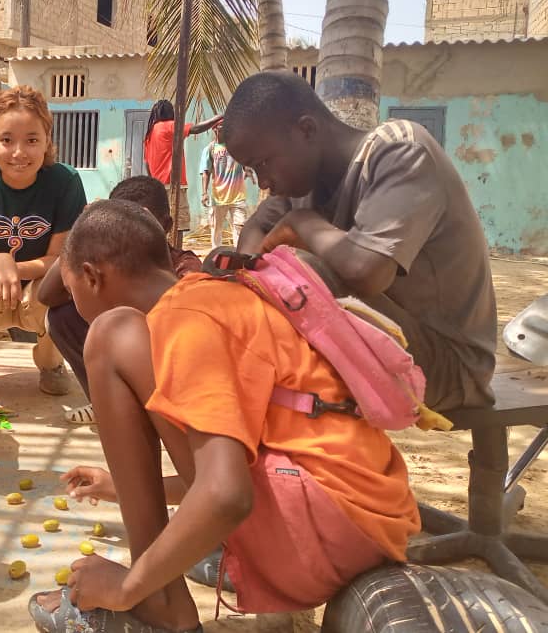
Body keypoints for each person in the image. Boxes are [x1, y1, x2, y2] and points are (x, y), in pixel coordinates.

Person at [28, 201, 419, 633]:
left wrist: (126, 588)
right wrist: (126, 487)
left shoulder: (185, 319)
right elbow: (246, 456)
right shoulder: (218, 293)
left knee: (110, 334)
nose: (73, 303)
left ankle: (159, 603)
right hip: (366, 524)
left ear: (91, 277)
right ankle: (157, 595)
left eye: (73, 290)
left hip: (322, 533)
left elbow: (227, 493)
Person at [223, 71, 497, 412]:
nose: (264, 181)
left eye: (263, 163)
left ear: (306, 129)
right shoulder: (302, 183)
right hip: (388, 347)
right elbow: (254, 231)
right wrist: (252, 273)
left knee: (299, 276)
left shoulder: (400, 149)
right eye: (252, 170)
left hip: (449, 365)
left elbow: (367, 271)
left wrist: (302, 224)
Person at [0, 85, 87, 396]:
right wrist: (0, 261)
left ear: (47, 141)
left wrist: (13, 268)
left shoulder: (65, 182)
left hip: (39, 288)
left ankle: (50, 362)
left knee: (62, 293)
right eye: (7, 140)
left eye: (32, 140)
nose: (19, 153)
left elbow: (57, 259)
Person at [38, 176, 202, 425]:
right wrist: (85, 232)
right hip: (133, 360)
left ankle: (143, 408)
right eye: (116, 224)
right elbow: (46, 295)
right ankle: (104, 400)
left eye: (139, 222)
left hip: (168, 366)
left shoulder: (182, 265)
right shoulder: (101, 262)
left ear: (165, 225)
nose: (127, 233)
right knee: (61, 316)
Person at [142, 99, 221, 235]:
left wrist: (154, 184)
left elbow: (146, 163)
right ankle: (176, 254)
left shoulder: (149, 134)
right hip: (174, 185)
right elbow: (195, 129)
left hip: (159, 186)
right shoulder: (169, 126)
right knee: (178, 224)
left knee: (162, 224)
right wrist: (218, 118)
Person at [200, 122, 252, 248]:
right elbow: (205, 172)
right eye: (219, 126)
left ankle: (238, 259)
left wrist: (248, 171)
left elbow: (246, 163)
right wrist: (204, 193)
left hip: (238, 197)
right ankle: (215, 258)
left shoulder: (237, 148)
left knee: (239, 228)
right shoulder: (210, 149)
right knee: (216, 231)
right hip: (218, 198)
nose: (222, 129)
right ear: (214, 129)